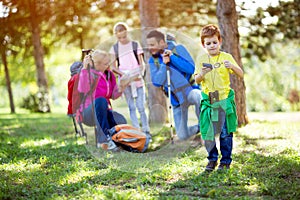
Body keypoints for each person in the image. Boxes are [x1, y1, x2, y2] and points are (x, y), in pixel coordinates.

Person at [195, 24, 244, 171]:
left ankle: (226, 161)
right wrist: (202, 74)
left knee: (225, 133)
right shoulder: (201, 59)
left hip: (223, 100)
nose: (212, 46)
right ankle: (212, 159)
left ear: (220, 41)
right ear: (203, 44)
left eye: (214, 42)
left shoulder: (226, 57)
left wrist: (232, 66)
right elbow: (197, 80)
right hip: (209, 101)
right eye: (208, 43)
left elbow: (240, 74)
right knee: (208, 132)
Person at [146, 29, 202, 141]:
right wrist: (164, 64)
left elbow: (191, 68)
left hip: (190, 90)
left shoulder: (179, 49)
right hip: (176, 99)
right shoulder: (153, 60)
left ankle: (206, 128)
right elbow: (157, 82)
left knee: (198, 96)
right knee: (182, 136)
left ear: (162, 42)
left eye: (152, 44)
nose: (150, 48)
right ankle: (199, 129)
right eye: (148, 45)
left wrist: (172, 57)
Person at [109, 22, 151, 139]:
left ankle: (147, 131)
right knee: (131, 107)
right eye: (119, 37)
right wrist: (125, 75)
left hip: (137, 80)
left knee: (141, 107)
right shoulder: (115, 48)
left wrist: (137, 74)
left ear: (127, 33)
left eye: (124, 36)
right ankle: (137, 132)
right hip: (125, 82)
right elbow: (113, 67)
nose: (122, 39)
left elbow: (141, 64)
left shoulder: (135, 44)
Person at [78, 50, 126, 151]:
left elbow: (113, 95)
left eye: (109, 62)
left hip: (104, 111)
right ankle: (103, 141)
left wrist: (122, 87)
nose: (109, 65)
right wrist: (84, 69)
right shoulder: (89, 73)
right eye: (105, 63)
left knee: (121, 120)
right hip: (87, 113)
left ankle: (117, 141)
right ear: (97, 64)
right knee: (100, 100)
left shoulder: (109, 75)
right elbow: (82, 89)